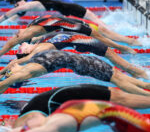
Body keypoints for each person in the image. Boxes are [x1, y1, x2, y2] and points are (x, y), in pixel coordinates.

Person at [0, 99, 150, 132]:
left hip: (116, 114)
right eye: (26, 126)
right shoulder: (52, 123)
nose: (26, 121)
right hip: (115, 117)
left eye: (25, 125)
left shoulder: (51, 127)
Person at [0, 31, 147, 79]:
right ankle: (144, 75)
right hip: (86, 42)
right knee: (120, 62)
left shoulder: (39, 43)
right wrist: (2, 72)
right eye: (21, 49)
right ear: (27, 52)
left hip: (83, 41)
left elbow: (56, 32)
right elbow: (17, 62)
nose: (21, 45)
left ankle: (142, 74)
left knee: (120, 63)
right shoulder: (39, 49)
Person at [0, 49, 150, 96]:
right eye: (8, 70)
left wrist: (4, 74)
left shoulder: (29, 63)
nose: (10, 66)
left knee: (119, 76)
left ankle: (146, 86)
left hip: (85, 60)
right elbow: (5, 82)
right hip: (84, 65)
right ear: (12, 75)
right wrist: (5, 77)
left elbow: (10, 69)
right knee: (118, 80)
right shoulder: (24, 73)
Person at [0, 0, 141, 46]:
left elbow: (9, 14)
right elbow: (15, 15)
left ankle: (127, 37)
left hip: (74, 10)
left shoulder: (27, 4)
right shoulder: (32, 2)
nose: (16, 8)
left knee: (102, 27)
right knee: (101, 25)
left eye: (16, 6)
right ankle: (123, 34)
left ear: (19, 3)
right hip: (69, 10)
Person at [0, 15, 136, 58]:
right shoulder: (30, 34)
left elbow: (10, 44)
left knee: (103, 36)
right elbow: (10, 44)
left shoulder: (30, 31)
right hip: (71, 25)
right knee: (102, 38)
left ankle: (126, 46)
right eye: (21, 44)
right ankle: (126, 47)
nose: (16, 33)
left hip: (69, 23)